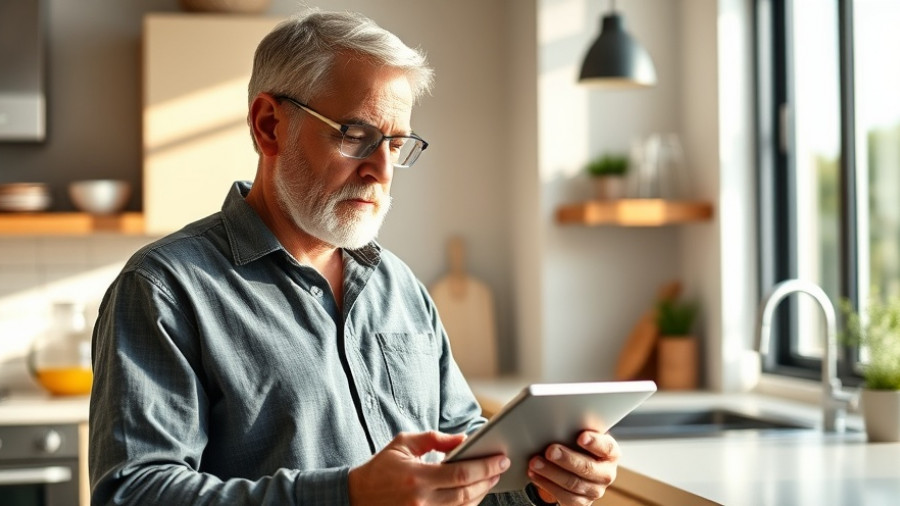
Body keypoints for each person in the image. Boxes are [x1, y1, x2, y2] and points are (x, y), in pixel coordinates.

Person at [89, 9, 620, 506]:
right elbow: (134, 491)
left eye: (395, 145)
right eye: (356, 136)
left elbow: (462, 468)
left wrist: (542, 483)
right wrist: (348, 494)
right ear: (269, 125)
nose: (381, 172)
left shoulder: (399, 287)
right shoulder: (164, 289)